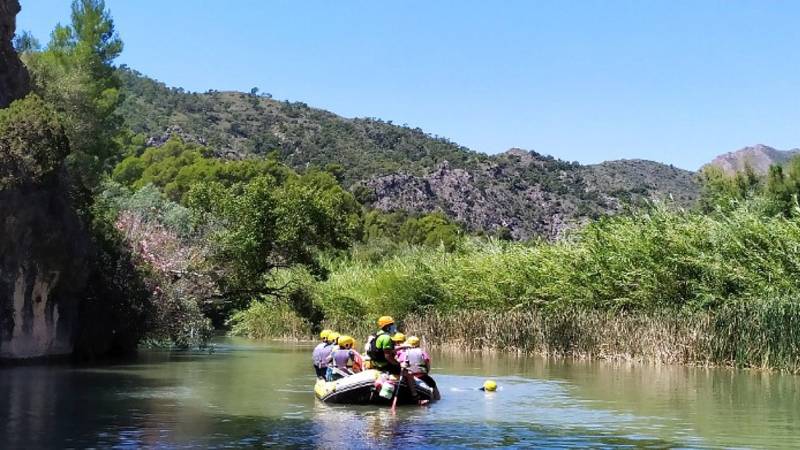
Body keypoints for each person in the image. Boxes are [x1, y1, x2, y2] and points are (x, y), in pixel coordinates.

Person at [399, 336, 441, 400]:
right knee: (433, 384)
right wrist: (426, 372)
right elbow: (428, 365)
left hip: (408, 376)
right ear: (418, 344)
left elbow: (400, 363)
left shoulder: (403, 353)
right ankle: (437, 398)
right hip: (421, 376)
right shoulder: (422, 353)